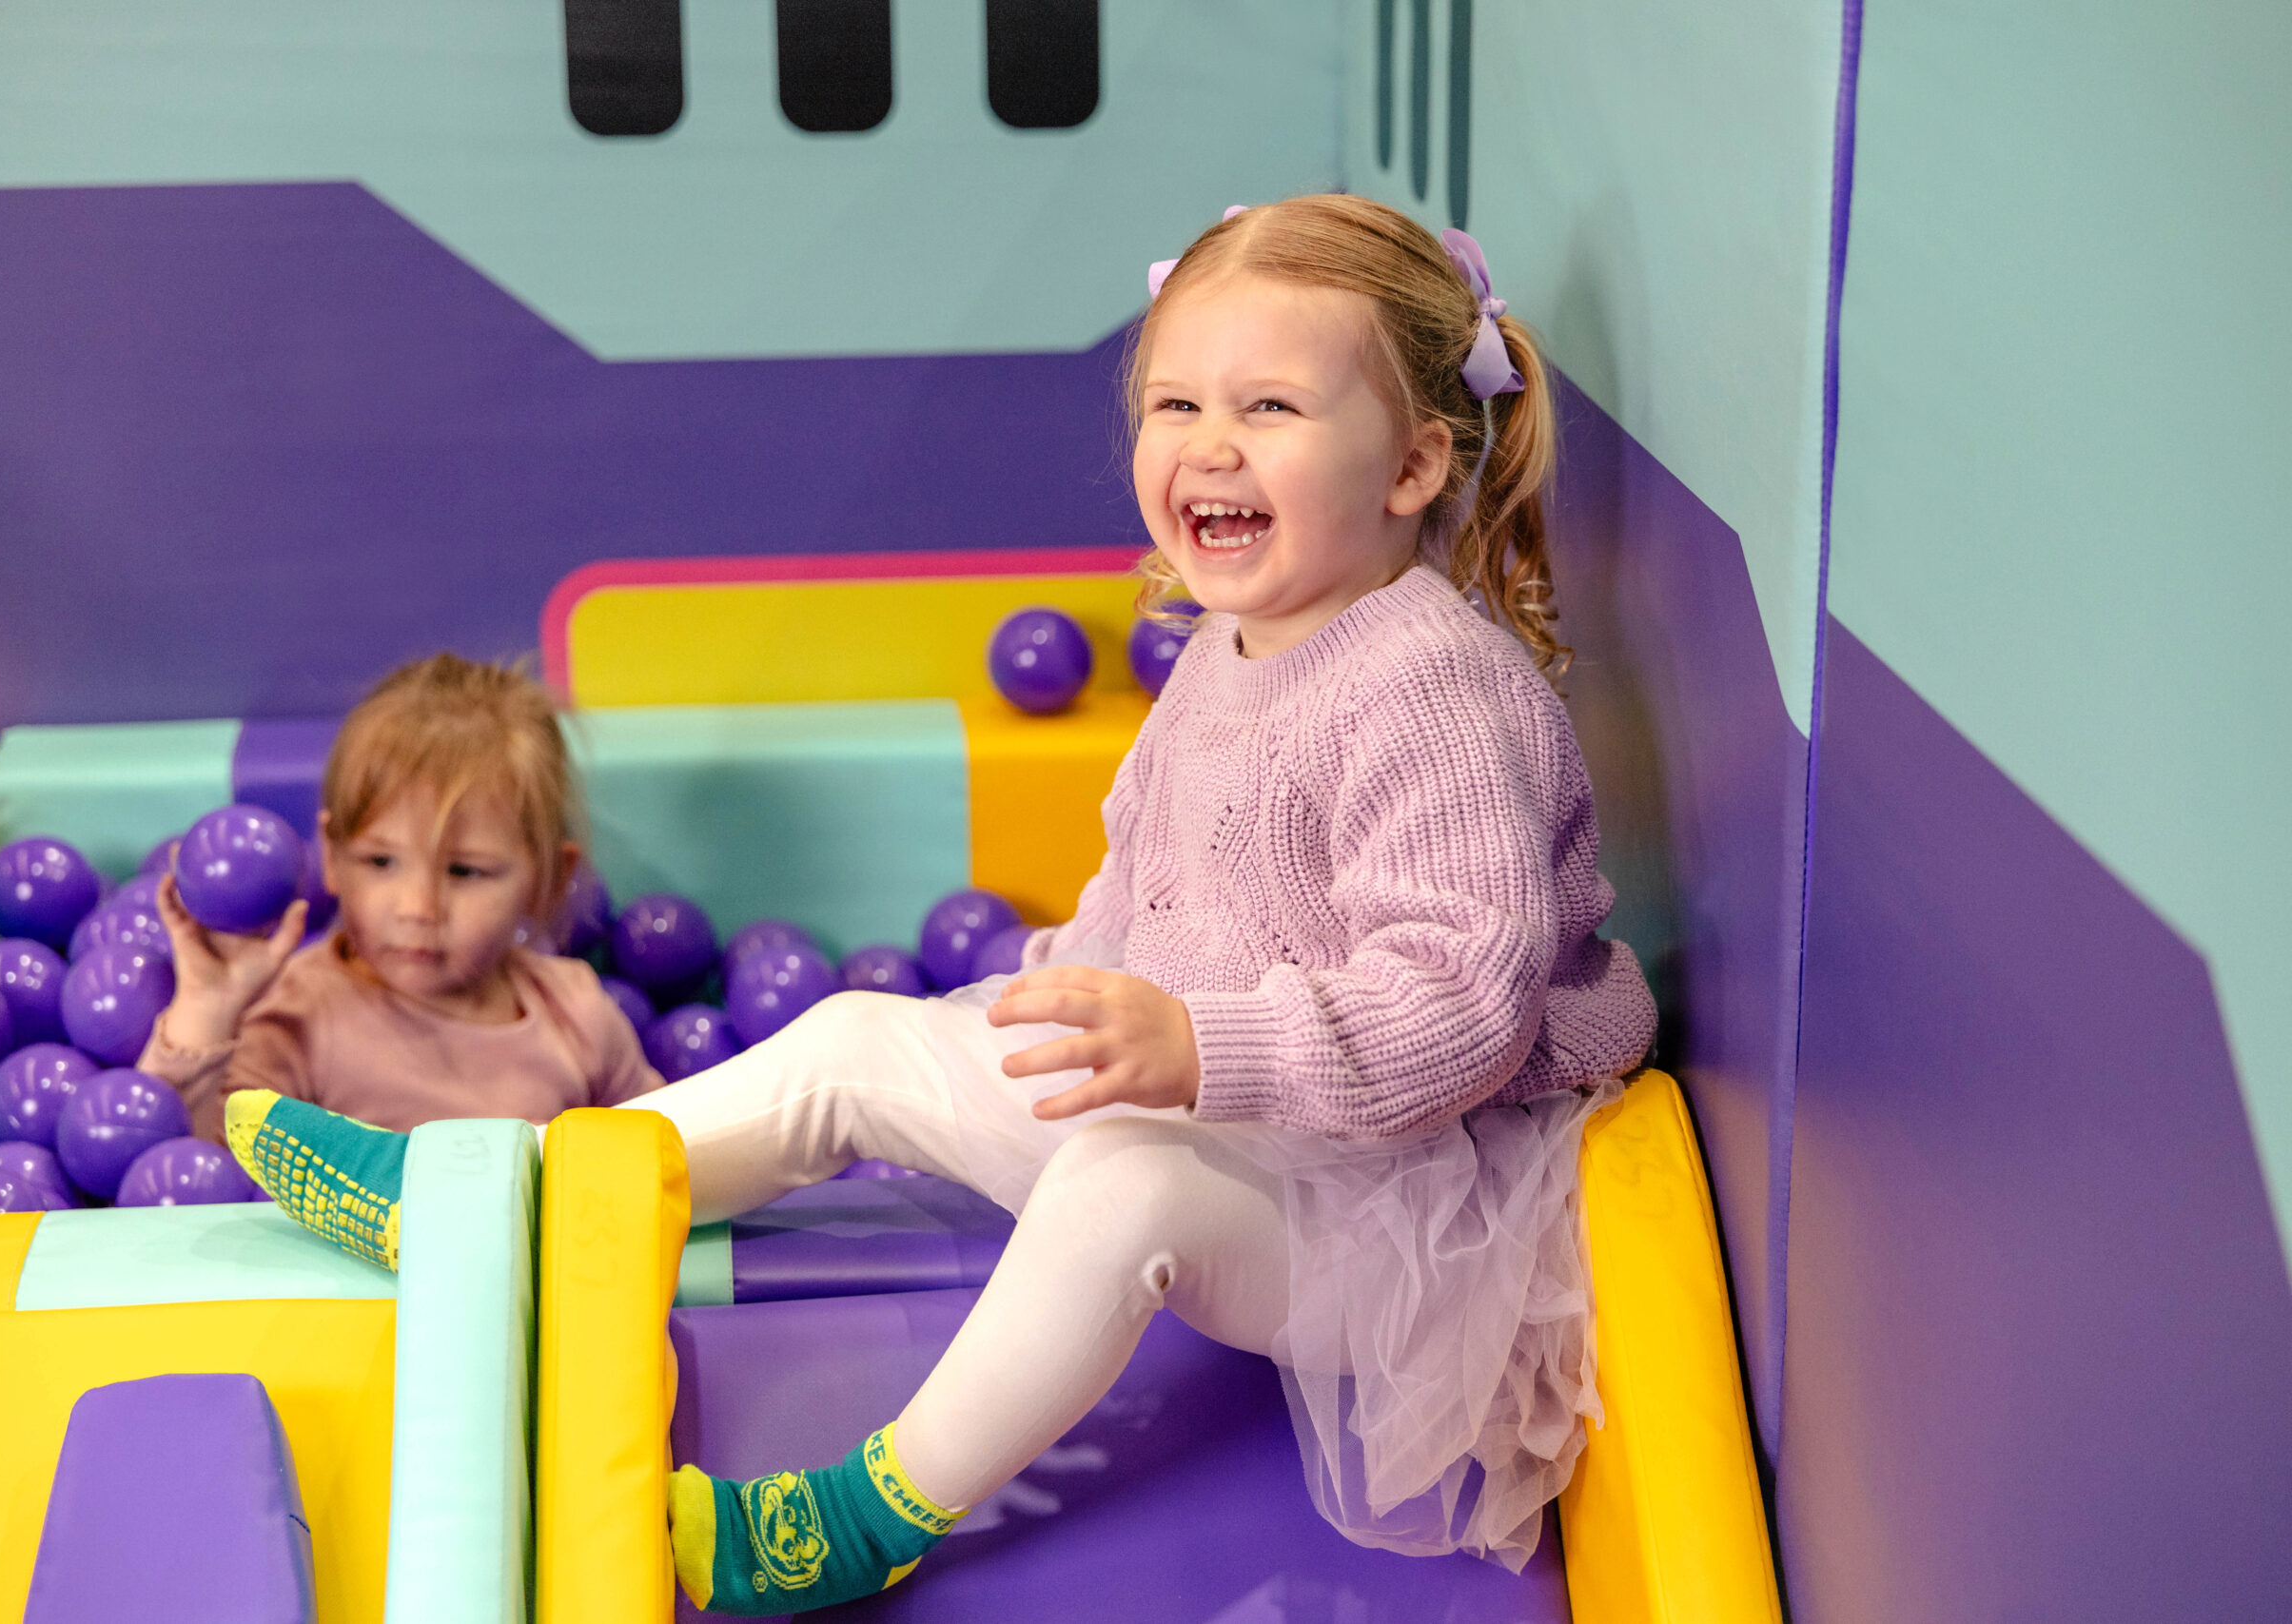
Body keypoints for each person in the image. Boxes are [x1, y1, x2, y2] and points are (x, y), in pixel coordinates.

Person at [226, 194, 1656, 1607]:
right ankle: (517, 1191)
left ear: (1411, 464)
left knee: (1123, 1183)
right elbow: (1154, 869)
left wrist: (1196, 1045)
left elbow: (1462, 1004)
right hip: (1231, 1108)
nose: (1209, 447)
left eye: (1271, 407)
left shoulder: (1435, 689)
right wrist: (1076, 998)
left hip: (1401, 1217)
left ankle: (859, 1513)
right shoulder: (1238, 638)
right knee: (857, 1036)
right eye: (1175, 404)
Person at [140, 655, 660, 1262]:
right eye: (381, 862)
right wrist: (208, 1007)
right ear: (332, 856)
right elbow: (197, 1167)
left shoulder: (574, 1010)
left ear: (549, 880)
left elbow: (664, 1150)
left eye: (465, 871)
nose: (418, 907)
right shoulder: (306, 1009)